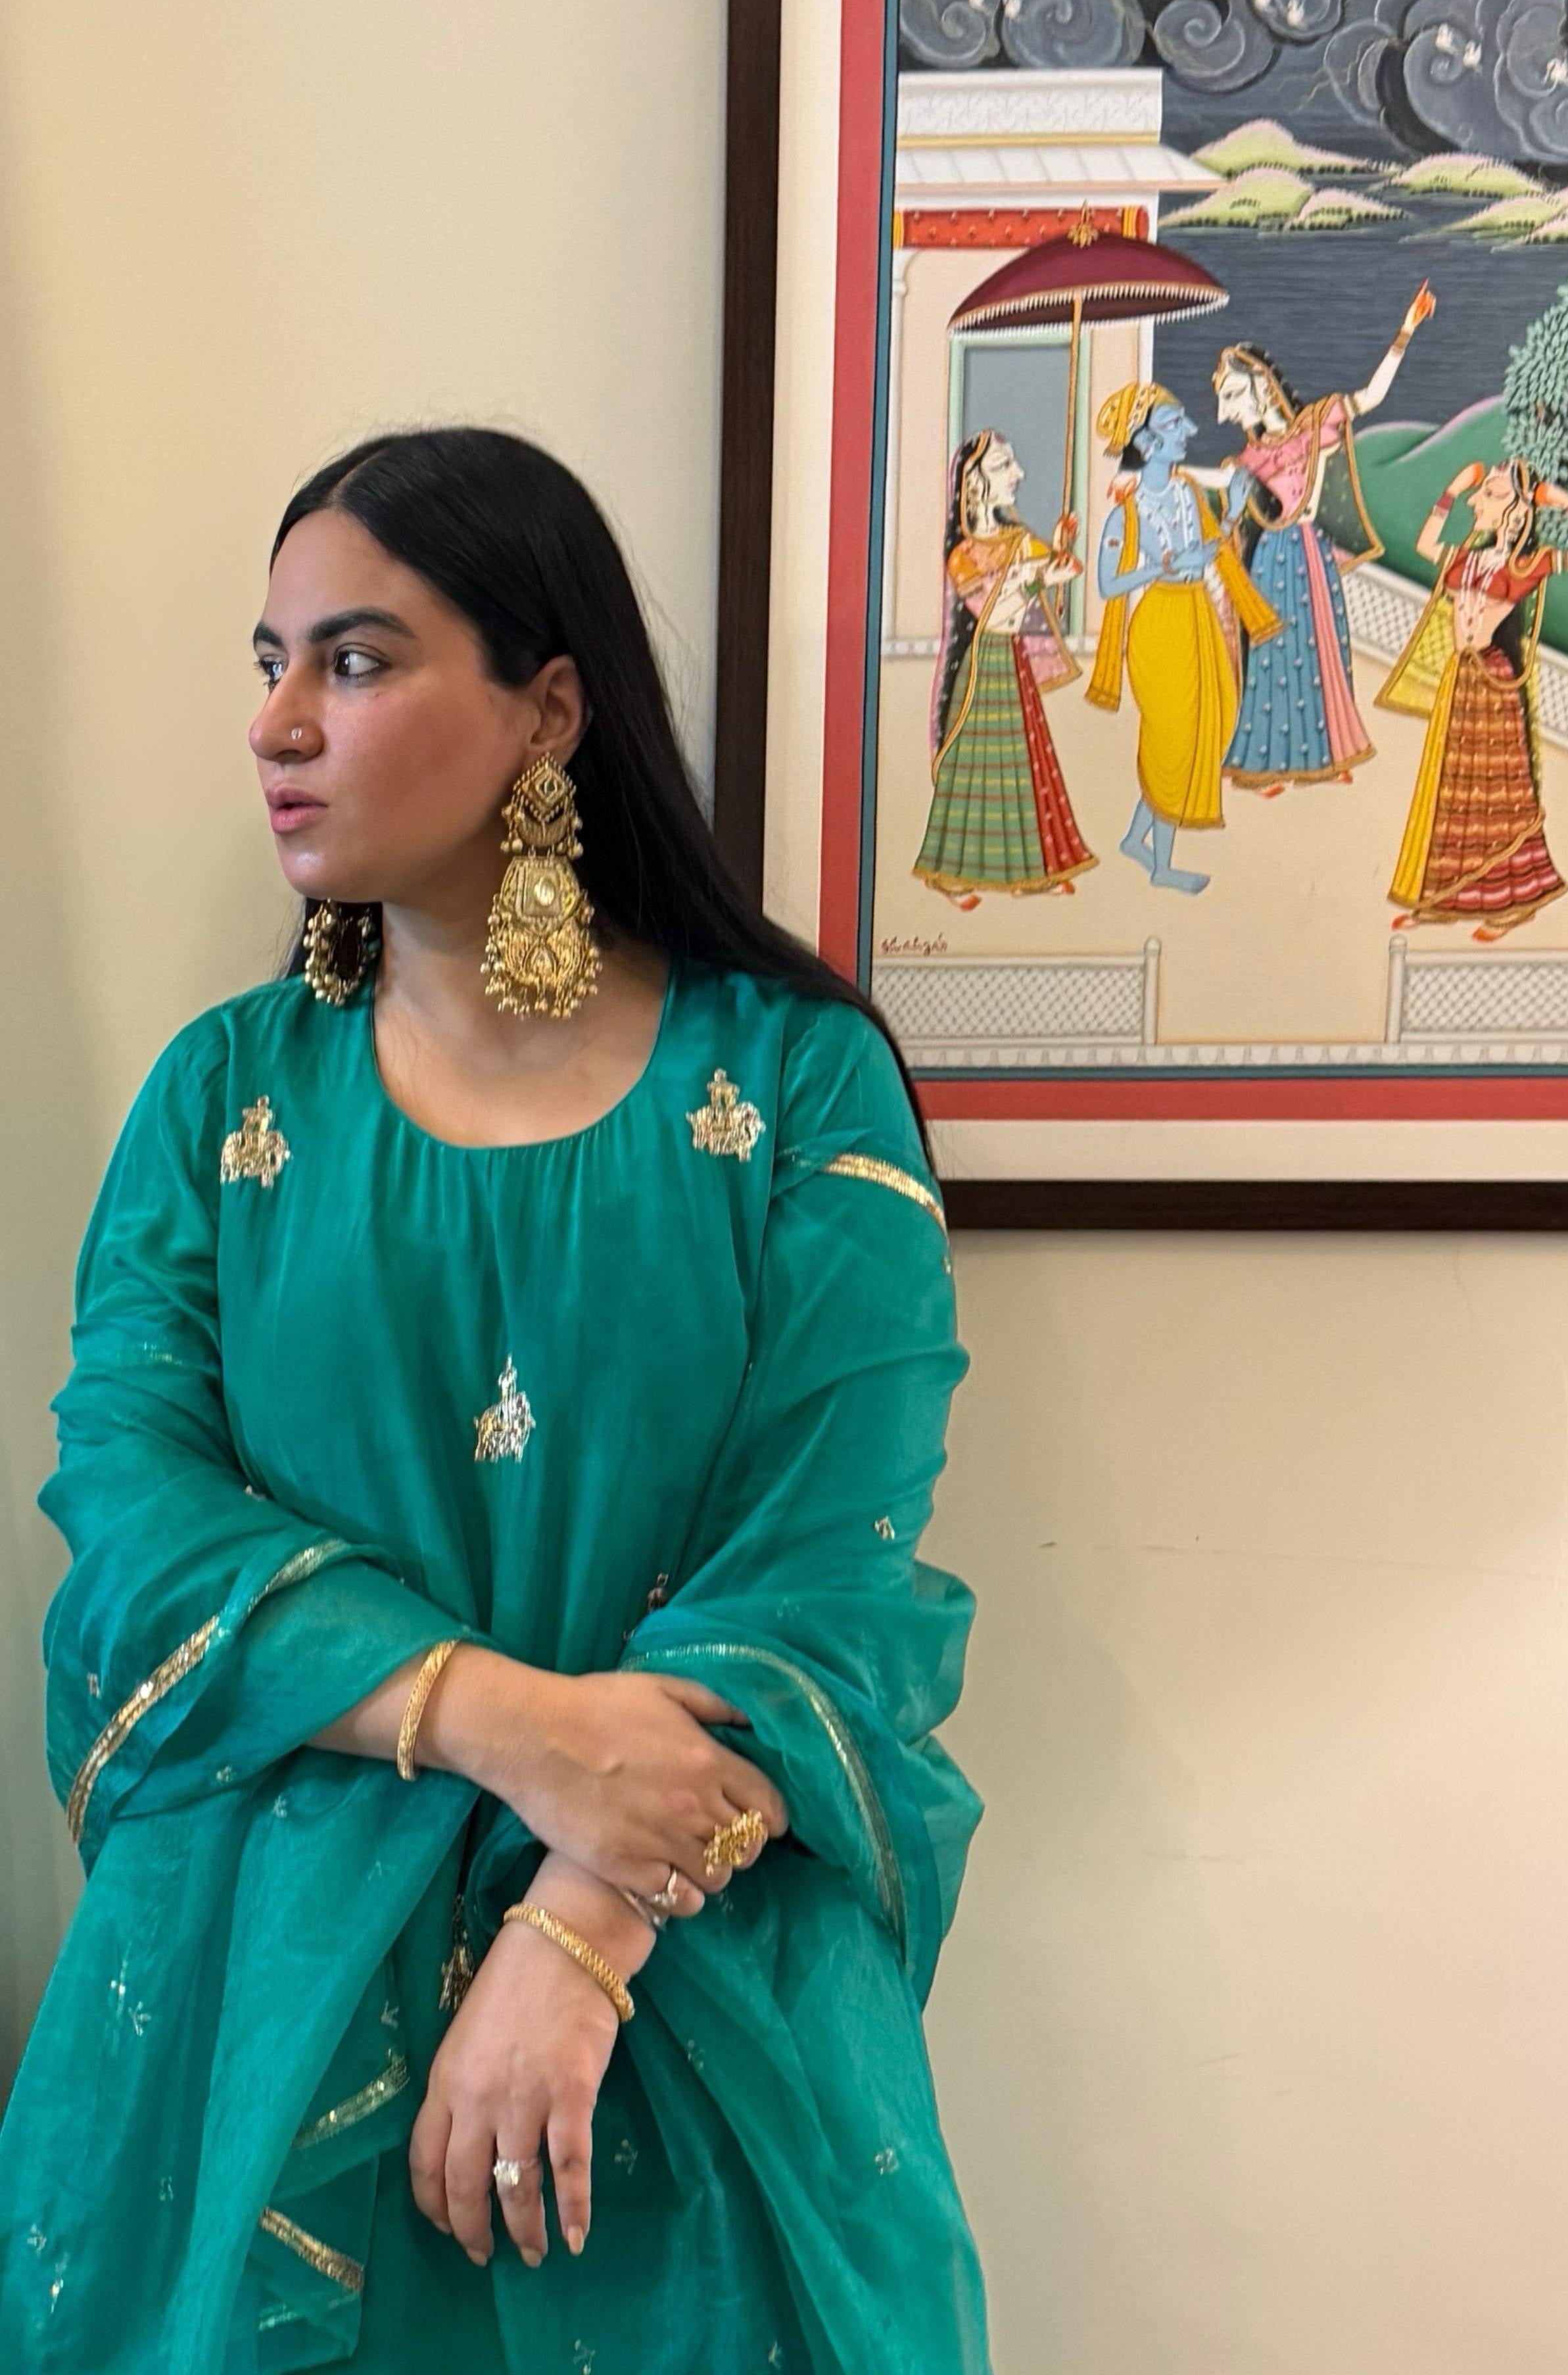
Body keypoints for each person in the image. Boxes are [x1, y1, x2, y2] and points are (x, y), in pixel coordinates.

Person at [0, 429, 990, 2374]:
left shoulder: (795, 1086)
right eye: (268, 662)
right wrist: (515, 1728)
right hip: (252, 2016)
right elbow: (131, 1521)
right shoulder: (222, 1105)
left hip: (693, 2001)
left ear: (549, 709)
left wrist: (579, 1928)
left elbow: (836, 1567)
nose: (278, 725)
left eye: (355, 661)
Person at [1207, 287, 1434, 798]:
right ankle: (1268, 762)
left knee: (1320, 652)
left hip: (1310, 552)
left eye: (1232, 396)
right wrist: (1174, 475)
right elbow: (1227, 492)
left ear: (1263, 387)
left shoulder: (1315, 424)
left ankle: (1325, 753)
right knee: (1274, 658)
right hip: (1271, 561)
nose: (1225, 413)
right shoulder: (1247, 461)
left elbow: (1370, 398)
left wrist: (1405, 332)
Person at [1378, 454, 1568, 942]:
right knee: (1453, 795)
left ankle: (1512, 904)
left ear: (1519, 513)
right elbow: (1425, 543)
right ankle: (1443, 898)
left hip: (1493, 682)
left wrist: (1565, 503)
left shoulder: (1529, 563)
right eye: (1482, 493)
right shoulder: (1468, 557)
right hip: (1462, 678)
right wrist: (1452, 490)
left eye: (1492, 494)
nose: (1478, 502)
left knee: (1500, 798)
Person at [1085, 381, 1281, 894]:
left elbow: (1211, 548)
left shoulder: (1189, 492)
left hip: (1197, 614)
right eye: (1173, 426)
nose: (1188, 432)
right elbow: (1108, 583)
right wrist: (1162, 566)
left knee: (1204, 732)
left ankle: (1135, 838)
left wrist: (1233, 511)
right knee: (1170, 740)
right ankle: (1161, 866)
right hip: (1160, 626)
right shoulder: (1126, 512)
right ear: (1144, 442)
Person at [913, 427, 1095, 909]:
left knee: (1023, 769)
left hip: (1013, 666)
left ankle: (1031, 871)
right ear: (973, 485)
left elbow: (1056, 570)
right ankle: (951, 876)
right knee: (974, 775)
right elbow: (993, 613)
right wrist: (1036, 578)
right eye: (1003, 466)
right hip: (982, 671)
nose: (1018, 474)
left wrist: (1059, 551)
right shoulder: (963, 555)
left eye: (1013, 463)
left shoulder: (1018, 539)